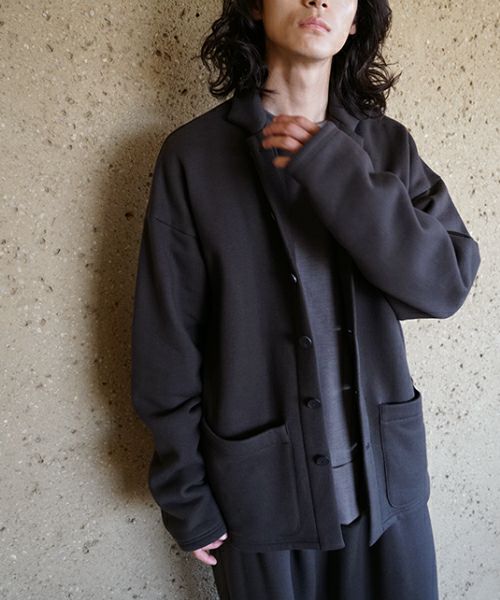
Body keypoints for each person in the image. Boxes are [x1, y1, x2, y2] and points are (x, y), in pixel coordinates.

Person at [130, 0, 481, 598]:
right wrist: (184, 492)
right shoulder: (194, 156)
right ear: (255, 6)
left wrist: (337, 170)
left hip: (387, 495)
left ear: (355, 21)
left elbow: (445, 285)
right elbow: (167, 341)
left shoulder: (387, 146)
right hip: (260, 501)